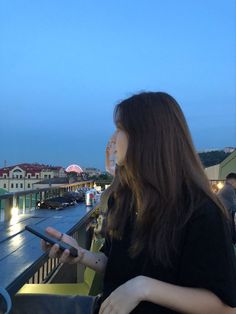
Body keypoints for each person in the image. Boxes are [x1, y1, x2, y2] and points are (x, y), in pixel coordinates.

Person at [41, 92, 236, 313]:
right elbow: (113, 264)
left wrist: (144, 287)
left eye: (120, 128)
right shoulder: (124, 199)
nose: (113, 138)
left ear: (147, 137)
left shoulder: (200, 211)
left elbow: (223, 307)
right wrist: (80, 254)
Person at [218, 173, 236, 244]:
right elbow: (234, 206)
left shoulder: (225, 188)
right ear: (233, 181)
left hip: (222, 215)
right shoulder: (229, 189)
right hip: (225, 216)